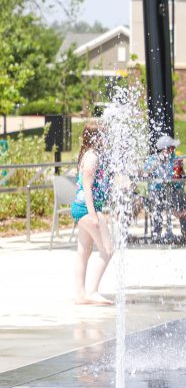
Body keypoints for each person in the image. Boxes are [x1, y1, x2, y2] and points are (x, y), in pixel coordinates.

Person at [70, 124, 114, 305]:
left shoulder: (89, 154)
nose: (106, 139)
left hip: (82, 208)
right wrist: (94, 216)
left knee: (84, 251)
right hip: (88, 209)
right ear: (96, 138)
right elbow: (87, 187)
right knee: (108, 249)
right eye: (104, 135)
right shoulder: (92, 157)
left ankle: (81, 294)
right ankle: (93, 291)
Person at [144, 134, 186, 242]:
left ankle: (185, 232)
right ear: (164, 148)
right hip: (158, 189)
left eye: (173, 147)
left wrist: (183, 174)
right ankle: (157, 233)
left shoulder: (175, 158)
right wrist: (157, 163)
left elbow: (181, 174)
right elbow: (146, 174)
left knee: (182, 199)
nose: (173, 149)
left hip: (174, 188)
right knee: (157, 203)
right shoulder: (153, 159)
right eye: (171, 147)